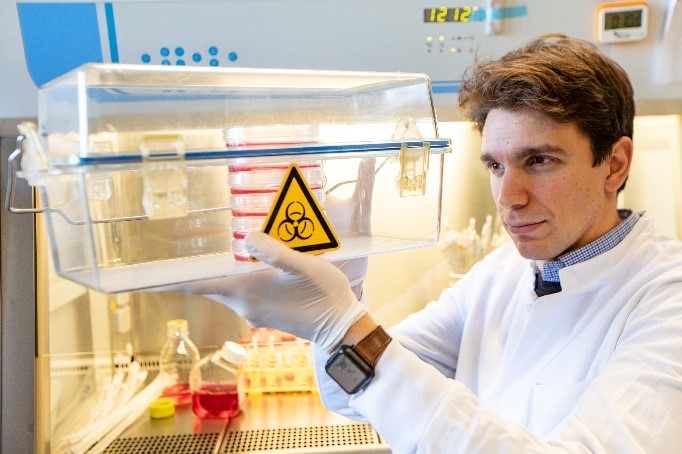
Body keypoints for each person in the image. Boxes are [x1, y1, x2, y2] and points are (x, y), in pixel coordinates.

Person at [167, 34, 682, 452]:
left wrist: (342, 324)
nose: (509, 197)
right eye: (496, 166)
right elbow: (351, 393)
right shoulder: (504, 273)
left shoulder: (666, 299)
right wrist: (346, 291)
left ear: (614, 164)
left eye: (540, 161)